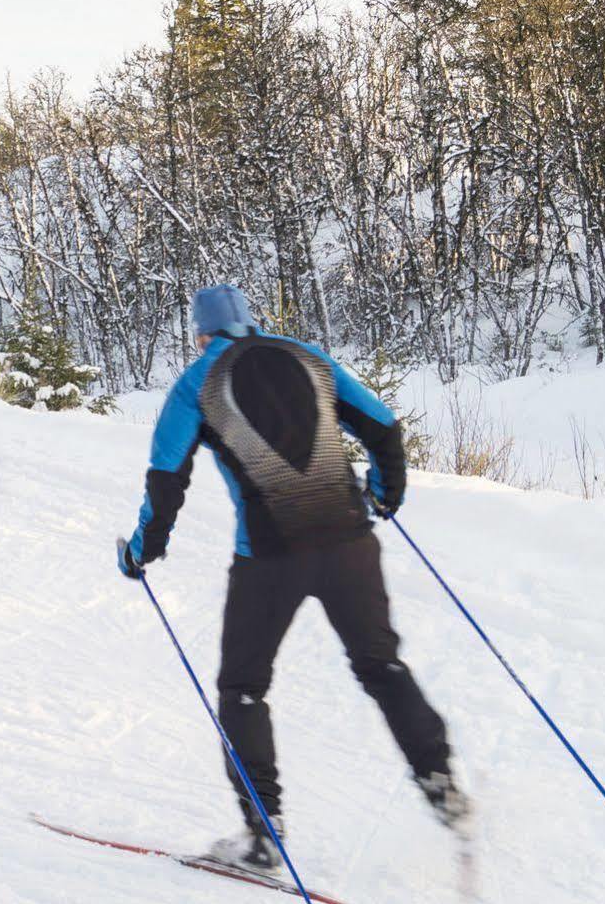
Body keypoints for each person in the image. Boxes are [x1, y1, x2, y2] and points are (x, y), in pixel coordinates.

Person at [118, 284, 471, 871]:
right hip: (350, 543)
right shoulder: (309, 357)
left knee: (244, 688)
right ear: (250, 323)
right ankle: (441, 784)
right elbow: (383, 428)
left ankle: (264, 834)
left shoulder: (196, 383)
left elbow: (165, 479)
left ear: (200, 334)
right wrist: (384, 496)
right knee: (382, 667)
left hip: (271, 557)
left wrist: (142, 551)